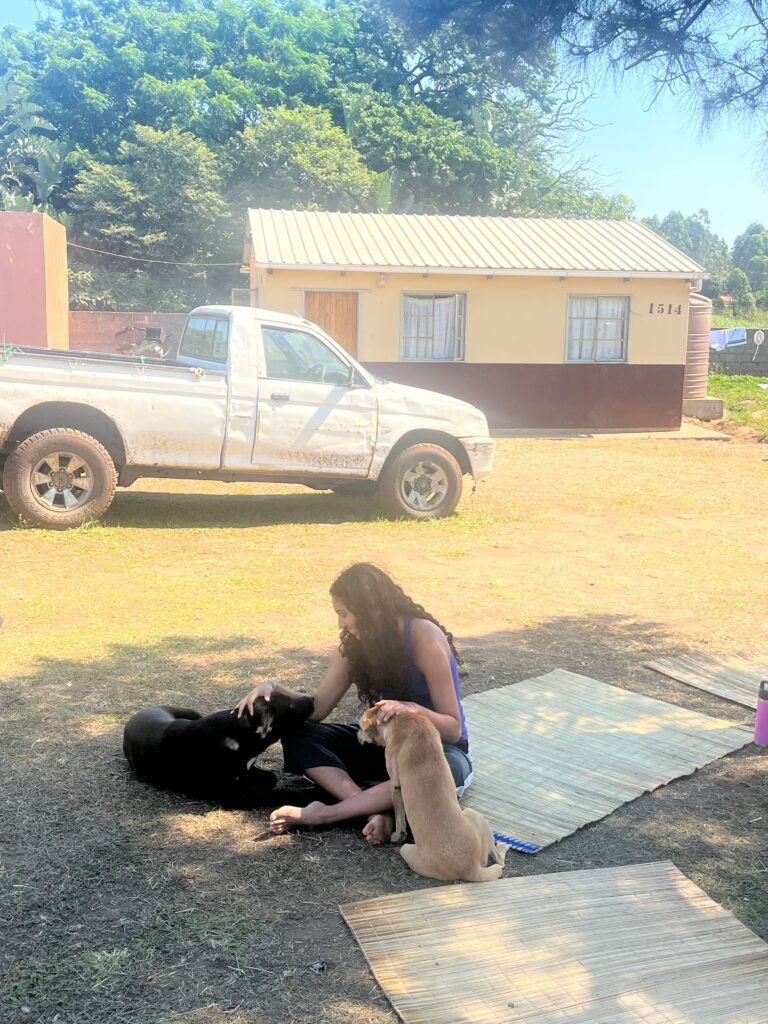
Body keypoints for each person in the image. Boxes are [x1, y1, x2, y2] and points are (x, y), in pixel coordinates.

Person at [235, 563, 473, 845]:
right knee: (299, 733)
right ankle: (370, 811)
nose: (340, 623)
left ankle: (326, 814)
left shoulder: (424, 637)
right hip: (383, 749)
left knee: (441, 773)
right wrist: (273, 690)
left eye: (344, 614)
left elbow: (453, 728)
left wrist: (412, 708)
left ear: (370, 610)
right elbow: (318, 707)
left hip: (435, 751)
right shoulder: (356, 644)